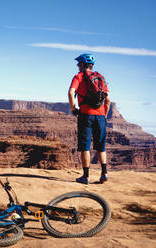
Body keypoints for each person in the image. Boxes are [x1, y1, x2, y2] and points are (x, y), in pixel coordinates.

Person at [68, 54, 111, 184]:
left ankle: (86, 177)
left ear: (82, 64)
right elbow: (108, 99)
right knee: (101, 146)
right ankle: (104, 174)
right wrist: (104, 114)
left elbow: (71, 93)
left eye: (78, 64)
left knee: (85, 146)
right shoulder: (100, 78)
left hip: (86, 115)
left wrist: (73, 108)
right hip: (101, 116)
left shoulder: (79, 76)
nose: (77, 66)